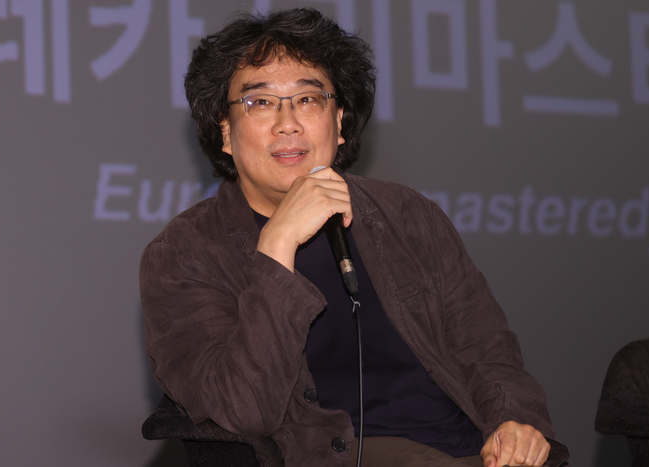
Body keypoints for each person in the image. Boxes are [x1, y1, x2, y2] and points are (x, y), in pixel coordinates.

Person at [140, 8, 570, 467]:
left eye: (308, 99)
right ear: (225, 132)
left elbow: (488, 350)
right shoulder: (184, 255)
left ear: (340, 121)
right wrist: (278, 244)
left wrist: (514, 421)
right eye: (260, 102)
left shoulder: (408, 215)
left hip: (469, 451)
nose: (288, 122)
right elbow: (244, 410)